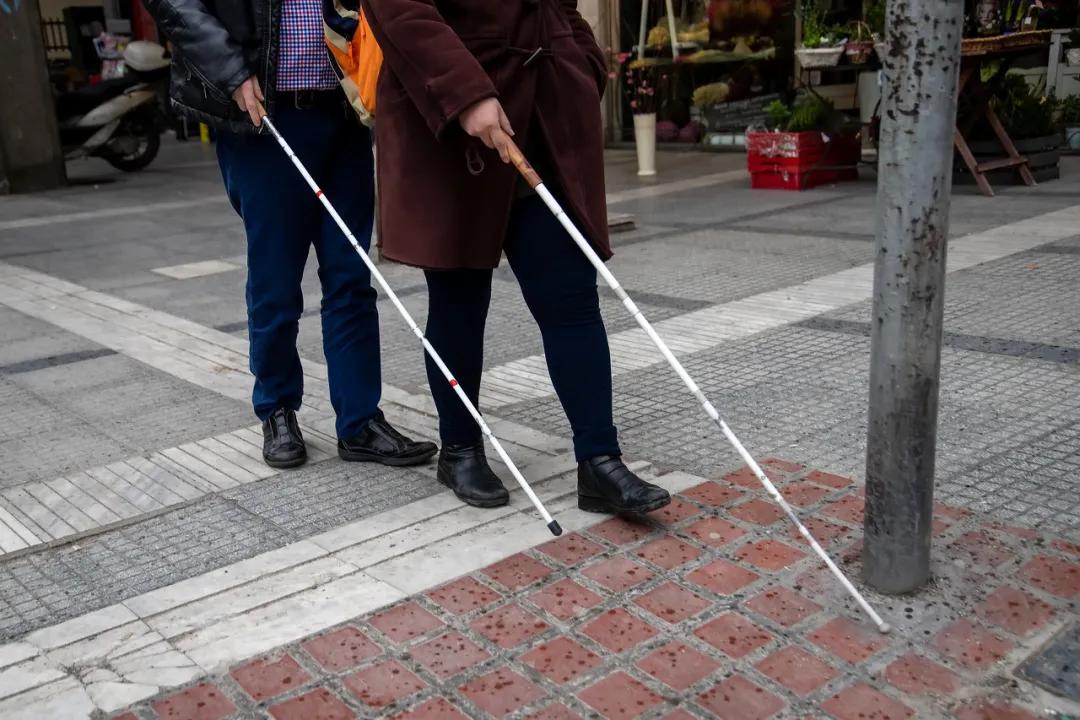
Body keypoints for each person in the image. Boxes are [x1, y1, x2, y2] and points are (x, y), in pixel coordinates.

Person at [362, 0, 671, 515]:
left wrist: (583, 63)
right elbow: (400, 9)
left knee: (571, 295)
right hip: (452, 128)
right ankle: (459, 449)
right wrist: (466, 93)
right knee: (459, 302)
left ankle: (600, 461)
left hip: (543, 120)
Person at [144, 0, 437, 469]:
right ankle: (277, 409)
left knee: (350, 277)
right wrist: (231, 71)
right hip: (264, 117)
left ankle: (360, 420)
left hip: (345, 110)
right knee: (276, 281)